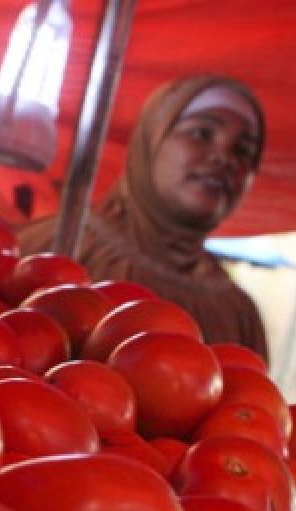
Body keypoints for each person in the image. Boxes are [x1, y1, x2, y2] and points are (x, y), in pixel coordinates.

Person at [17, 74, 271, 363]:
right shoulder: (58, 244)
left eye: (244, 151)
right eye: (201, 133)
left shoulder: (239, 314)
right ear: (150, 140)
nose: (224, 158)